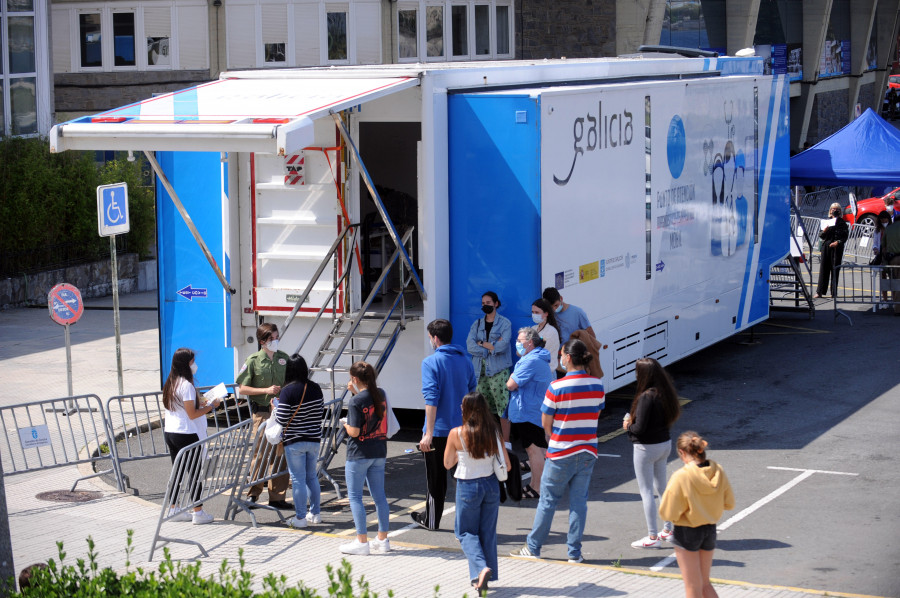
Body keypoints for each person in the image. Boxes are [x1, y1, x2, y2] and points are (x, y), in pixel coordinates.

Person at [510, 339, 605, 562]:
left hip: (561, 451)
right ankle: (574, 553)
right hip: (587, 451)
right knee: (579, 503)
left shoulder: (557, 386)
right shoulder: (597, 385)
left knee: (548, 501)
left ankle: (533, 548)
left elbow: (546, 421)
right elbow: (596, 415)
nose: (560, 358)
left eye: (562, 355)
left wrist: (552, 436)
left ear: (568, 358)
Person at [412, 319, 477, 530]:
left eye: (430, 337)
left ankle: (432, 520)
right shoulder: (465, 361)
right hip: (462, 429)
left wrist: (427, 433)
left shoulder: (430, 363)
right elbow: (473, 394)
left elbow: (431, 399)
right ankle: (468, 523)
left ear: (435, 338)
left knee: (435, 479)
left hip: (439, 430)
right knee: (463, 477)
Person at [444, 392, 511, 593]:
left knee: (464, 532)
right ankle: (480, 578)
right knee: (487, 533)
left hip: (467, 485)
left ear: (467, 409)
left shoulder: (456, 433)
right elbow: (506, 465)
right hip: (491, 485)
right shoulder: (494, 432)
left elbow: (447, 463)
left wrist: (459, 455)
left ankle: (481, 569)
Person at [659, 432, 735, 598]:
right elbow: (729, 503)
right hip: (710, 528)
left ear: (682, 452)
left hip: (687, 530)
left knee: (692, 586)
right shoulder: (717, 470)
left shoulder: (681, 476)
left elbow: (667, 512)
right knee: (705, 583)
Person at [624, 358, 682, 549]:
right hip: (664, 444)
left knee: (646, 491)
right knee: (661, 487)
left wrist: (627, 425)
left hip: (645, 447)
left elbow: (639, 428)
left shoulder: (645, 397)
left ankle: (652, 536)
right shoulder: (665, 393)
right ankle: (668, 529)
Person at [236, 323, 292, 510]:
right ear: (262, 342)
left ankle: (278, 496)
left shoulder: (284, 358)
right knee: (261, 454)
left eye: (277, 337)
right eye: (271, 339)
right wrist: (265, 390)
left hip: (281, 411)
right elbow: (242, 388)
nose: (275, 341)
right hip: (262, 412)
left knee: (281, 454)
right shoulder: (253, 360)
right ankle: (253, 494)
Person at [162, 347, 220, 525]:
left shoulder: (171, 382)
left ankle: (174, 509)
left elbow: (186, 408)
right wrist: (212, 406)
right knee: (194, 473)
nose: (195, 365)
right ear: (186, 364)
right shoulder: (186, 385)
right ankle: (198, 512)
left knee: (177, 472)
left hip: (171, 431)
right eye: (192, 362)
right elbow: (192, 414)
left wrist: (202, 402)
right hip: (186, 432)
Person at [340, 361, 391, 555]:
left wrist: (344, 425)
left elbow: (354, 431)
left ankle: (362, 542)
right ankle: (383, 539)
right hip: (379, 450)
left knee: (355, 497)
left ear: (354, 379)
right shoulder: (381, 394)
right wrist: (356, 393)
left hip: (359, 453)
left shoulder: (355, 401)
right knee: (379, 497)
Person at [275, 353, 324, 529]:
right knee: (312, 477)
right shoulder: (316, 387)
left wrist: (276, 406)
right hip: (314, 439)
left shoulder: (287, 391)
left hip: (295, 440)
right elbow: (320, 411)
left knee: (298, 479)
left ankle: (300, 517)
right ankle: (316, 513)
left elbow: (281, 419)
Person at [506, 327, 554, 498]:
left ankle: (536, 486)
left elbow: (511, 384)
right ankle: (538, 485)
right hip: (534, 410)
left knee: (534, 451)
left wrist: (512, 376)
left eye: (520, 341)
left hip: (528, 411)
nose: (517, 343)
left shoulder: (530, 361)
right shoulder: (537, 359)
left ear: (530, 342)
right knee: (539, 450)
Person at [466, 291, 513, 420]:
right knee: (482, 408)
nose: (485, 305)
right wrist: (490, 347)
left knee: (502, 407)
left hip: (498, 370)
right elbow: (470, 346)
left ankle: (505, 439)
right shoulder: (477, 324)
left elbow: (502, 346)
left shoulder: (505, 323)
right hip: (480, 372)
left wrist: (481, 343)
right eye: (483, 303)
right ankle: (486, 437)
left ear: (496, 304)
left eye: (488, 303)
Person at [813, 202, 849, 299]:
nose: (835, 210)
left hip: (837, 248)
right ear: (830, 211)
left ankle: (834, 292)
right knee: (824, 269)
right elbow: (821, 235)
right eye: (833, 209)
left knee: (835, 269)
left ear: (840, 211)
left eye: (837, 209)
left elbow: (845, 236)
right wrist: (824, 230)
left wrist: (838, 242)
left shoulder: (842, 223)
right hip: (826, 247)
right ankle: (819, 292)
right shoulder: (827, 222)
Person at [531, 298, 562, 376]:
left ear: (546, 314)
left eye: (537, 312)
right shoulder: (533, 329)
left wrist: (527, 349)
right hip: (534, 372)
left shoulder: (551, 331)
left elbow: (539, 354)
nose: (534, 314)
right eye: (532, 312)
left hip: (547, 373)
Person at [872, 211, 892, 305]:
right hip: (881, 257)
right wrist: (875, 249)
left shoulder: (891, 229)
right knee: (883, 278)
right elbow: (875, 244)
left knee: (893, 278)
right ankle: (885, 299)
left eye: (885, 219)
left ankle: (894, 298)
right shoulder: (877, 231)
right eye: (882, 220)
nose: (884, 221)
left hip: (891, 256)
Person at [883, 217, 900, 315]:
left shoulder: (888, 229)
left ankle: (896, 308)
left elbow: (883, 246)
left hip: (893, 259)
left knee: (895, 283)